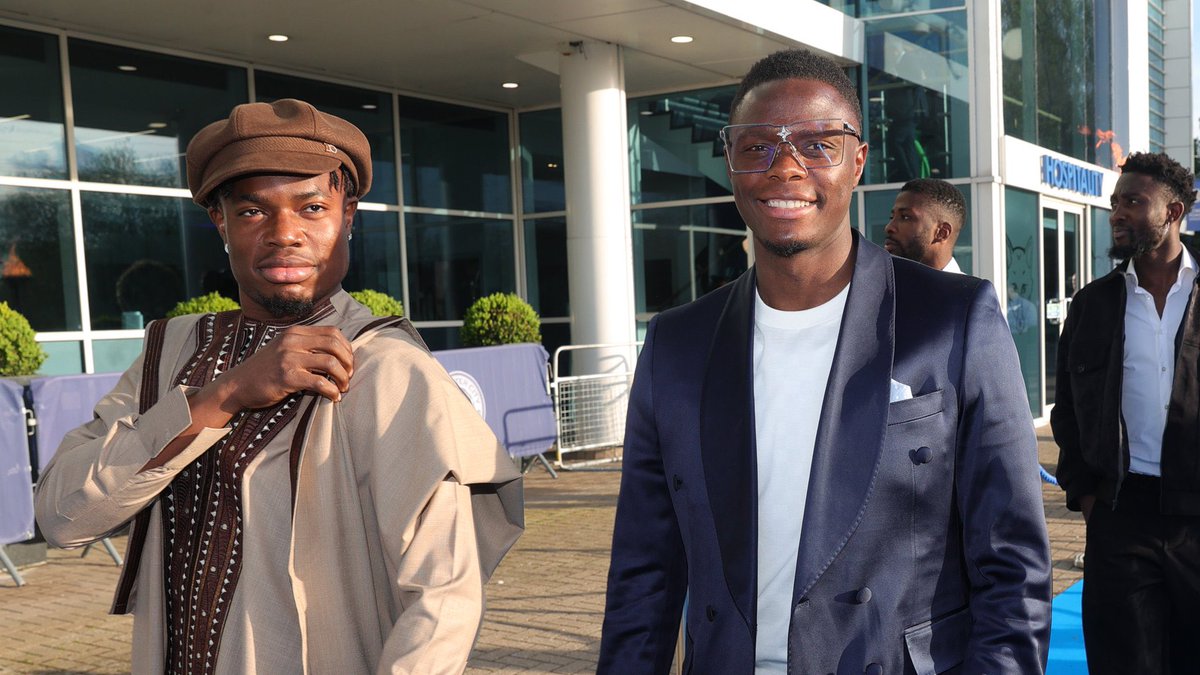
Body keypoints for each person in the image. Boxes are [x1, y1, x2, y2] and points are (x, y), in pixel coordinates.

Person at [598, 49, 1051, 674]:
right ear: (731, 162)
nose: (786, 167)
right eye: (758, 146)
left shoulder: (953, 318)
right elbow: (642, 577)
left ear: (857, 161)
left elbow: (1013, 566)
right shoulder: (676, 344)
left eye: (817, 145)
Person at [35, 99, 523, 674]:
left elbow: (444, 597)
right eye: (251, 212)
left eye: (312, 207)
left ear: (349, 215)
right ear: (219, 221)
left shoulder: (388, 368)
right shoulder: (170, 354)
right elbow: (62, 517)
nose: (284, 234)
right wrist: (224, 394)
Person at [1051, 151, 1200, 674]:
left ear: (1174, 210)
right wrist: (1088, 495)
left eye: (1134, 201)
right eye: (1115, 203)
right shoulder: (1092, 305)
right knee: (1123, 662)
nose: (1117, 212)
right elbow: (1067, 409)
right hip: (1121, 512)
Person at [883, 177, 966, 273]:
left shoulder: (971, 288)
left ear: (942, 233)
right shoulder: (878, 286)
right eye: (891, 217)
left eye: (905, 217)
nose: (889, 228)